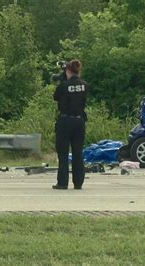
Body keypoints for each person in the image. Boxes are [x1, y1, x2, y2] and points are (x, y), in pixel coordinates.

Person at [52, 59, 89, 190]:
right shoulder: (84, 85)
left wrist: (62, 80)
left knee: (63, 153)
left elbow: (56, 97)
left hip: (65, 120)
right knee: (78, 152)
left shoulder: (63, 85)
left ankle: (62, 182)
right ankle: (78, 182)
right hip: (79, 121)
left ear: (67, 71)